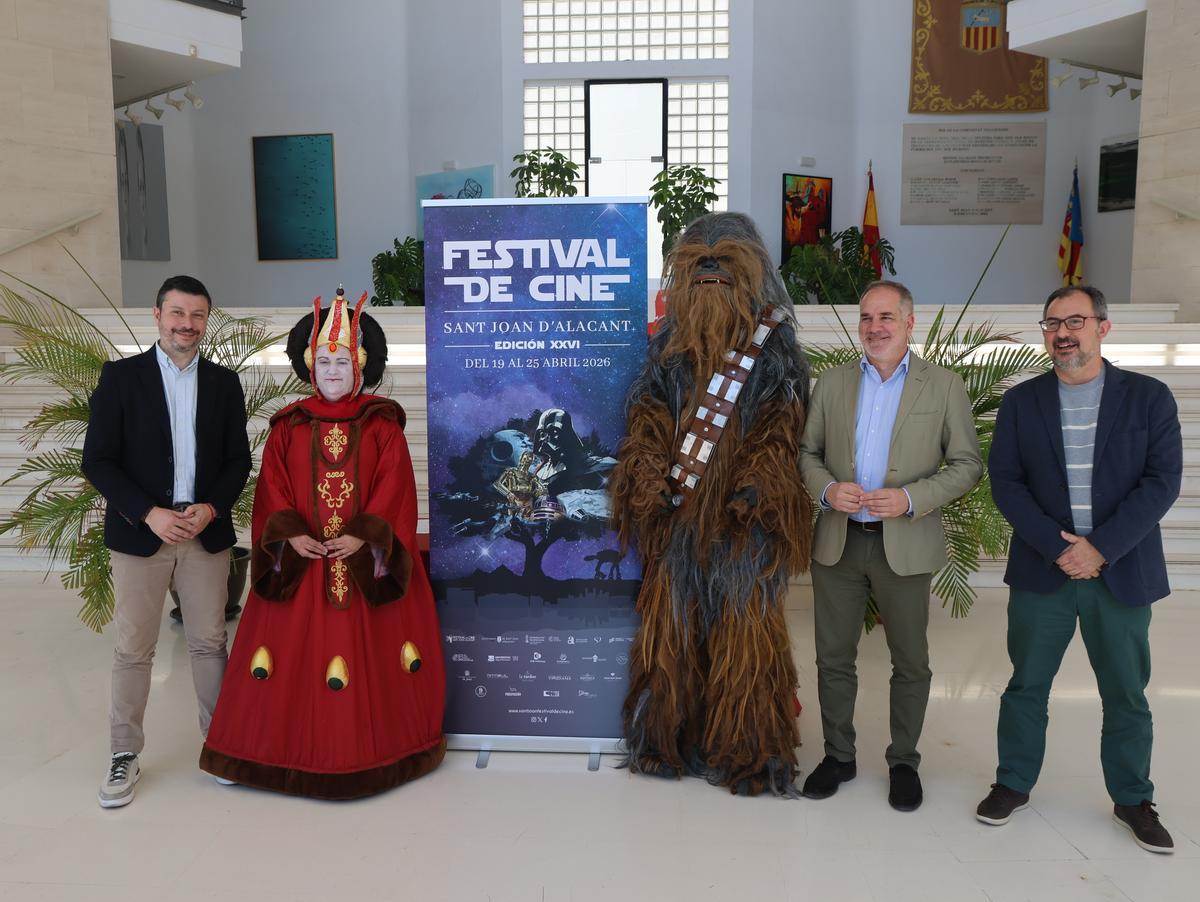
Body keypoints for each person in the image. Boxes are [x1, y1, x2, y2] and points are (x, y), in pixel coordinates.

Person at [199, 289, 446, 799]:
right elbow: (272, 490)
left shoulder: (382, 425)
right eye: (325, 360)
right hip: (303, 566)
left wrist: (363, 534)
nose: (333, 370)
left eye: (343, 361)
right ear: (311, 367)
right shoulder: (288, 426)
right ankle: (256, 755)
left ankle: (377, 756)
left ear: (360, 367)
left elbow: (396, 489)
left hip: (365, 568)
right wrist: (292, 535)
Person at [610, 212, 812, 797]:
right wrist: (646, 472)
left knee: (746, 641)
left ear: (752, 272)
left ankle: (750, 753)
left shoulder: (773, 350)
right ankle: (667, 741)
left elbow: (782, 426)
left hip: (745, 525)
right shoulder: (667, 353)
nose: (710, 271)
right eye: (697, 263)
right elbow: (646, 417)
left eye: (725, 262)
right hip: (678, 519)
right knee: (669, 634)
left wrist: (758, 488)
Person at [975, 286, 1182, 854]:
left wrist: (1101, 548)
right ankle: (1012, 782)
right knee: (1025, 686)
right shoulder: (1021, 403)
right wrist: (1056, 546)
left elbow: (1162, 483)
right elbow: (1006, 482)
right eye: (1051, 324)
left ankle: (1133, 798)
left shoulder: (1149, 397)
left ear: (1103, 328)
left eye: (1075, 321)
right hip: (1045, 571)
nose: (1062, 333)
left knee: (1125, 693)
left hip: (1119, 572)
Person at [798, 280, 982, 811]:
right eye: (866, 318)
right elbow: (806, 453)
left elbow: (967, 464)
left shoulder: (943, 386)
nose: (874, 328)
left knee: (912, 661)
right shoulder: (830, 384)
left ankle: (904, 762)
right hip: (839, 542)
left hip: (905, 542)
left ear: (909, 323)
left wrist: (909, 498)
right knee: (833, 656)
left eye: (886, 318)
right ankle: (839, 756)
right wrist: (828, 489)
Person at [82, 275, 251, 809]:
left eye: (197, 315)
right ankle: (123, 753)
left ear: (207, 320)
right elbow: (98, 460)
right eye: (177, 313)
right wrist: (149, 513)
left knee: (209, 643)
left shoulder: (224, 385)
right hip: (141, 534)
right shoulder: (121, 379)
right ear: (157, 315)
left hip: (205, 534)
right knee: (134, 649)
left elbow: (237, 461)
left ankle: (220, 743)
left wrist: (209, 508)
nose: (187, 324)